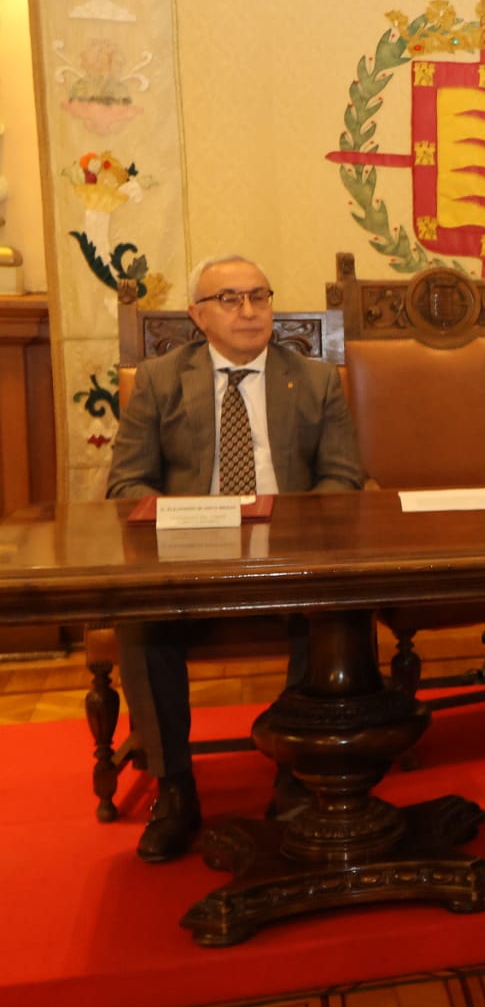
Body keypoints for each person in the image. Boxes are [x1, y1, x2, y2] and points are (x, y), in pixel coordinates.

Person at [104, 253, 365, 861]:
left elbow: (343, 480)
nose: (248, 311)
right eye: (229, 299)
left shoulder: (316, 380)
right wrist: (189, 527)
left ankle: (296, 774)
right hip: (189, 558)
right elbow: (125, 486)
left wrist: (295, 535)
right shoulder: (160, 381)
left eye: (259, 296)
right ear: (198, 316)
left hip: (288, 555)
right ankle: (174, 786)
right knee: (141, 621)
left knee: (334, 606)